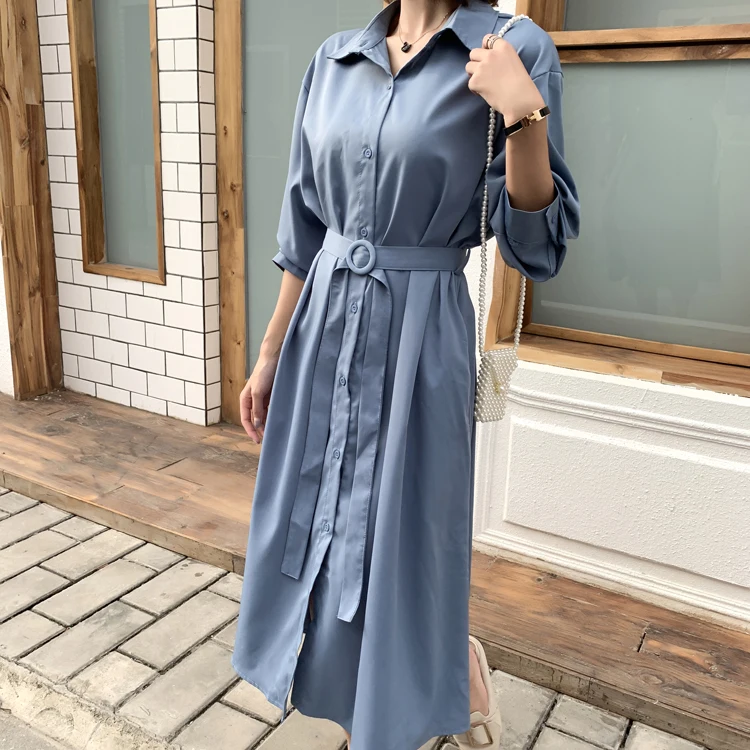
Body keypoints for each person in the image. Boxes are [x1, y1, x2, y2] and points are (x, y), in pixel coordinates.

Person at [232, 2, 579, 749]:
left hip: (421, 333)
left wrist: (524, 117)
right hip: (324, 327)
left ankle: (433, 688)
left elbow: (536, 246)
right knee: (319, 524)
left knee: (406, 534)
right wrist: (269, 354)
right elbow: (305, 226)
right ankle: (376, 703)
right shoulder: (334, 61)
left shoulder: (513, 47)